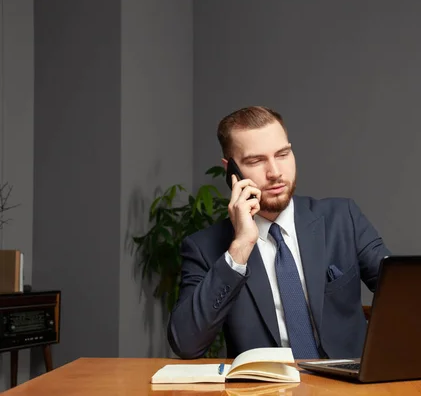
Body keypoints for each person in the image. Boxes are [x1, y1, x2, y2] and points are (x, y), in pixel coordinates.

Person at [167, 106, 391, 359]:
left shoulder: (343, 219)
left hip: (348, 386)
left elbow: (402, 295)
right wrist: (241, 246)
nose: (275, 172)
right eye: (256, 160)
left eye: (283, 154)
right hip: (266, 388)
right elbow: (186, 343)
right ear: (230, 170)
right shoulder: (204, 247)